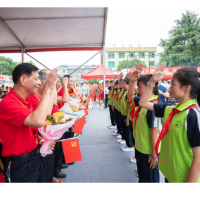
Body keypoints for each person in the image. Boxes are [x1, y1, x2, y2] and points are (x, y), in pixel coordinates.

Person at [139, 63, 200, 183]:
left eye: (173, 84)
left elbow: (198, 161)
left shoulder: (192, 115)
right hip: (170, 174)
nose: (169, 88)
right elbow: (143, 103)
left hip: (185, 178)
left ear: (186, 87)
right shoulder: (170, 109)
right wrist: (152, 82)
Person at [0, 63, 57, 183]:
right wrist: (47, 89)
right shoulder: (8, 103)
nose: (39, 83)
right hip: (20, 164)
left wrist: (41, 139)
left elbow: (46, 113)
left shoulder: (25, 101)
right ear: (23, 80)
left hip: (34, 158)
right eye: (36, 79)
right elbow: (38, 121)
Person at [128, 63, 160, 183]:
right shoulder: (142, 102)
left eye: (139, 86)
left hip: (148, 151)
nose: (137, 89)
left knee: (149, 178)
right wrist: (132, 82)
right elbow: (130, 96)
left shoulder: (152, 106)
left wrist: (154, 155)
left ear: (148, 87)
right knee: (143, 176)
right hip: (140, 148)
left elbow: (154, 132)